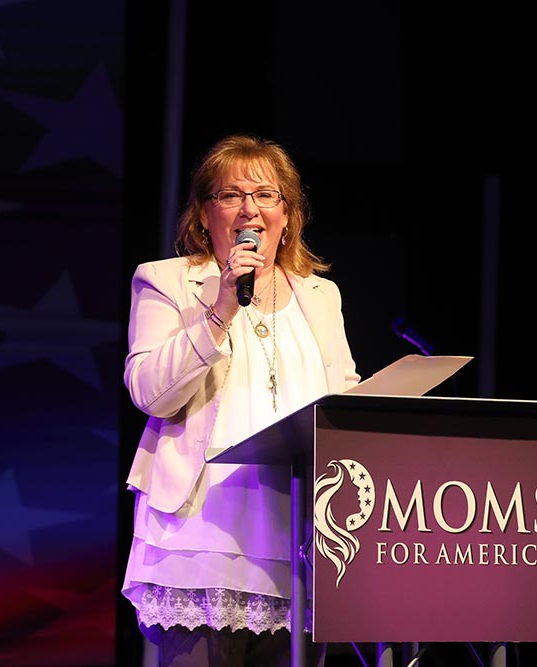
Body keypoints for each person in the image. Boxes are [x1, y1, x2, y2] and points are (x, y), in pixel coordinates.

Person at [121, 133, 361, 666]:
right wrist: (222, 308)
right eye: (230, 195)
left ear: (287, 215)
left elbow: (342, 397)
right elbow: (150, 393)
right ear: (204, 215)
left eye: (266, 195)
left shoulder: (322, 295)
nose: (250, 208)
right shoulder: (167, 282)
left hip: (302, 539)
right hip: (202, 538)